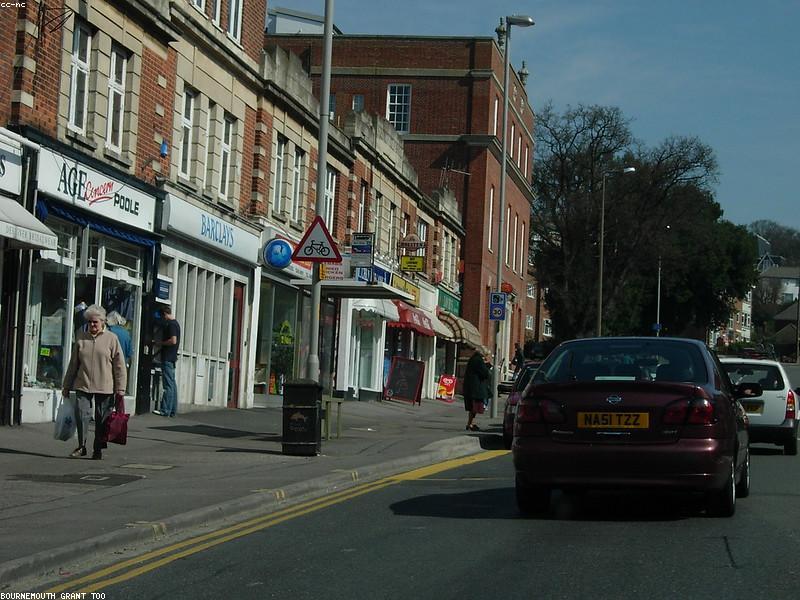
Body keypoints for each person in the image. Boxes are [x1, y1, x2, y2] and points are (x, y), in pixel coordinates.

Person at [61, 304, 127, 460]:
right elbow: (73, 364)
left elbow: (119, 365)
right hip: (83, 384)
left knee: (101, 419)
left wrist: (121, 388)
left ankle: (97, 448)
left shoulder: (111, 339)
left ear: (102, 322)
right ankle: (81, 446)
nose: (92, 325)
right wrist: (66, 385)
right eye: (89, 322)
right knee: (81, 415)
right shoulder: (81, 338)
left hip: (105, 385)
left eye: (95, 322)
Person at [153, 306, 181, 417]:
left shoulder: (171, 324)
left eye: (162, 317)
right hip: (172, 357)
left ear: (165, 314)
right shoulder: (176, 324)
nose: (162, 319)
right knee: (172, 384)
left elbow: (173, 340)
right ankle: (172, 410)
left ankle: (165, 410)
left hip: (168, 357)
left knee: (168, 385)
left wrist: (160, 343)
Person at [463, 348, 491, 431]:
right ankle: (470, 423)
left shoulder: (473, 359)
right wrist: (487, 365)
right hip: (476, 387)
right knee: (474, 406)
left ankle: (470, 423)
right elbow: (485, 373)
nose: (486, 357)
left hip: (471, 386)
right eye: (486, 355)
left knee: (473, 406)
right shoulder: (478, 360)